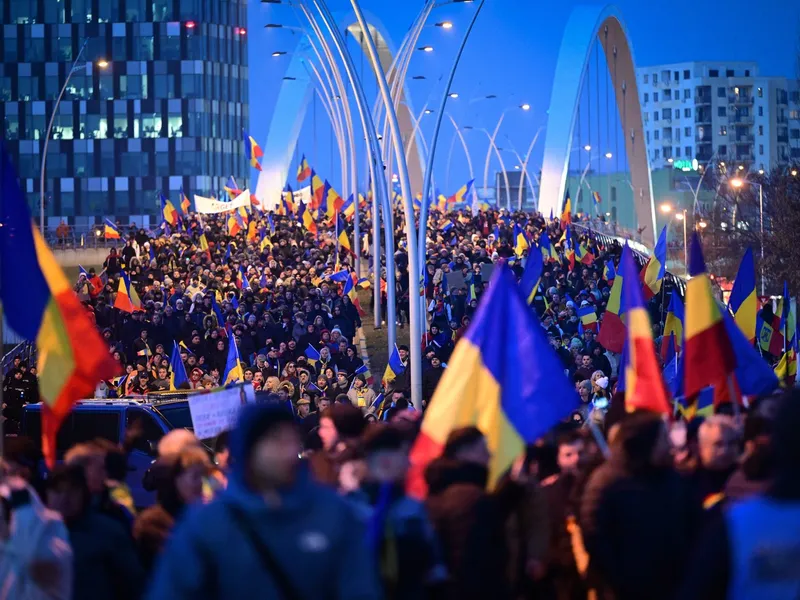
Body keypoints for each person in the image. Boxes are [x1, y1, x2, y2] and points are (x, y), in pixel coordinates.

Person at [144, 404, 382, 599]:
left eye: (291, 439)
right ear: (249, 449)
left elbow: (358, 587)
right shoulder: (207, 524)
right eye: (276, 441)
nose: (289, 451)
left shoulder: (331, 512)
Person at [678, 390, 800, 598]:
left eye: (730, 444)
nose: (725, 451)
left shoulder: (734, 524)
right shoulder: (730, 524)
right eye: (718, 445)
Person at [580, 412, 698, 600]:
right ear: (647, 442)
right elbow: (595, 536)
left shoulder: (674, 479)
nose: (670, 445)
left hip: (673, 586)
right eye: (663, 438)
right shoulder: (605, 483)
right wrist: (620, 580)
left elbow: (692, 524)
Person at [344, 425, 447, 599]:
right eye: (404, 455)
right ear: (386, 461)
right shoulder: (411, 511)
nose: (409, 464)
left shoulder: (347, 508)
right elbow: (434, 572)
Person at [425, 427, 525, 600]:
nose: (490, 455)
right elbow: (475, 560)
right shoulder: (472, 499)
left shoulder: (441, 491)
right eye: (483, 448)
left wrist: (512, 489)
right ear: (465, 453)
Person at [46, 465, 144, 600]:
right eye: (57, 490)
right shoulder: (35, 532)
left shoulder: (108, 532)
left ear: (83, 493)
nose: (64, 497)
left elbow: (133, 582)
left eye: (73, 490)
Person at [133, 445, 211, 572]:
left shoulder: (198, 517)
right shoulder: (152, 523)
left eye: (203, 476)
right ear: (174, 480)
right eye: (195, 476)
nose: (201, 483)